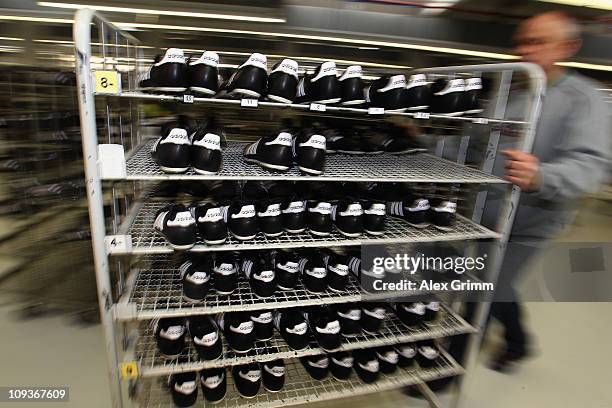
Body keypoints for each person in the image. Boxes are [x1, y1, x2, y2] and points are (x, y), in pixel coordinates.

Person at [483, 11, 610, 372]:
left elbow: (590, 166)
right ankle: (518, 340)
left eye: (537, 42)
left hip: (533, 219)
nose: (524, 50)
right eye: (521, 41)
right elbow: (476, 143)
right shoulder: (510, 90)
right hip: (485, 213)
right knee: (483, 283)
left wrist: (542, 175)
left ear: (568, 47)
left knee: (488, 287)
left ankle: (451, 365)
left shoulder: (586, 99)